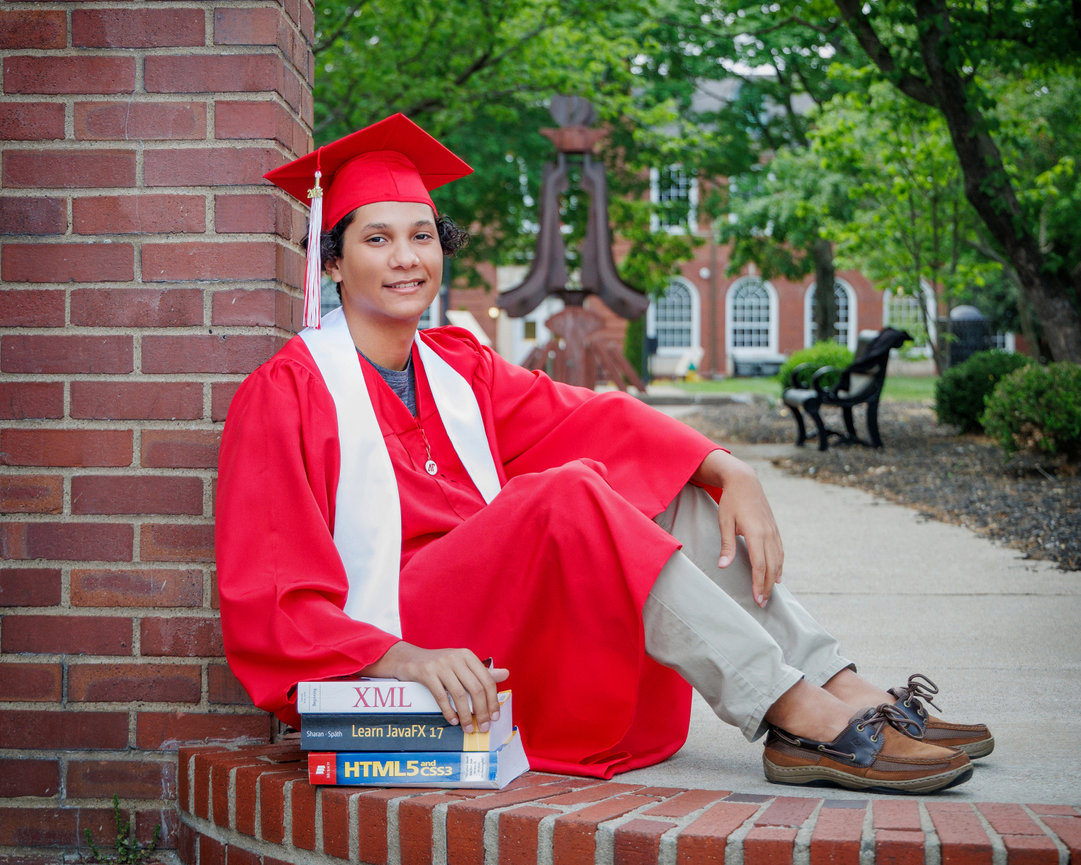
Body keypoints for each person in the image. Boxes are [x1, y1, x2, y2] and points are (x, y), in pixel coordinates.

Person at [215, 113, 993, 794]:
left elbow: (594, 419)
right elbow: (274, 599)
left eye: (421, 235)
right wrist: (399, 656)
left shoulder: (459, 367)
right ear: (332, 260)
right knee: (566, 492)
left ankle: (836, 681)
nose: (406, 257)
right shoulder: (286, 392)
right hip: (406, 641)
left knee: (676, 488)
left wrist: (727, 468)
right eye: (376, 239)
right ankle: (788, 711)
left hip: (500, 624)